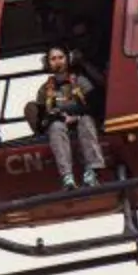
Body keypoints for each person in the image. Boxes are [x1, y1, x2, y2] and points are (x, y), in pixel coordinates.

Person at [27, 47, 105, 188]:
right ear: (48, 62)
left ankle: (92, 171)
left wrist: (76, 116)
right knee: (56, 128)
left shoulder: (80, 81)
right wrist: (57, 117)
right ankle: (67, 176)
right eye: (53, 58)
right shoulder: (45, 89)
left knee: (86, 121)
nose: (57, 62)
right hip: (60, 124)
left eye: (60, 57)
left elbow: (95, 106)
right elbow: (42, 118)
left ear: (67, 59)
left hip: (81, 119)